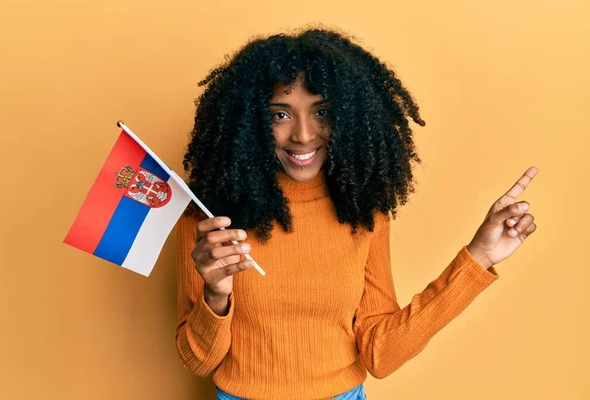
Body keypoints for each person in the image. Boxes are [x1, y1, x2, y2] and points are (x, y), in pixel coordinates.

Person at [174, 27, 538, 400]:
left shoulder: (362, 210)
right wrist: (216, 294)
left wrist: (479, 257)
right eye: (280, 114)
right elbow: (197, 362)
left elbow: (381, 354)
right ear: (248, 122)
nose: (303, 134)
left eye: (322, 112)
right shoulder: (207, 216)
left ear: (349, 117)